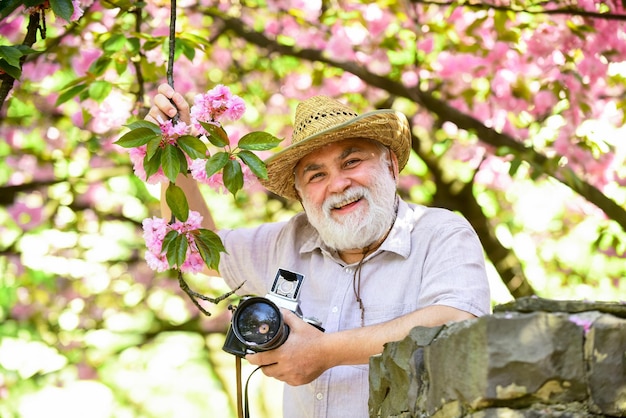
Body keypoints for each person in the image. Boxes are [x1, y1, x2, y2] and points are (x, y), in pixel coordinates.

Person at [146, 83, 491, 418]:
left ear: (391, 166)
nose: (338, 184)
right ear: (300, 196)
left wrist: (323, 351)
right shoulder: (287, 242)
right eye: (316, 176)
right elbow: (195, 245)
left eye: (352, 162)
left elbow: (458, 322)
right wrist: (171, 149)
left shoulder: (441, 233)